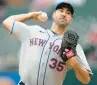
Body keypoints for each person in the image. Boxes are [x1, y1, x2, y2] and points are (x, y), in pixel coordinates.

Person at [2, 2, 93, 85]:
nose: (64, 14)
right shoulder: (33, 31)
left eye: (68, 13)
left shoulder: (73, 46)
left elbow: (86, 80)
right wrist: (30, 15)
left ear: (71, 20)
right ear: (53, 15)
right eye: (61, 11)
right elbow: (7, 22)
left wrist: (74, 62)